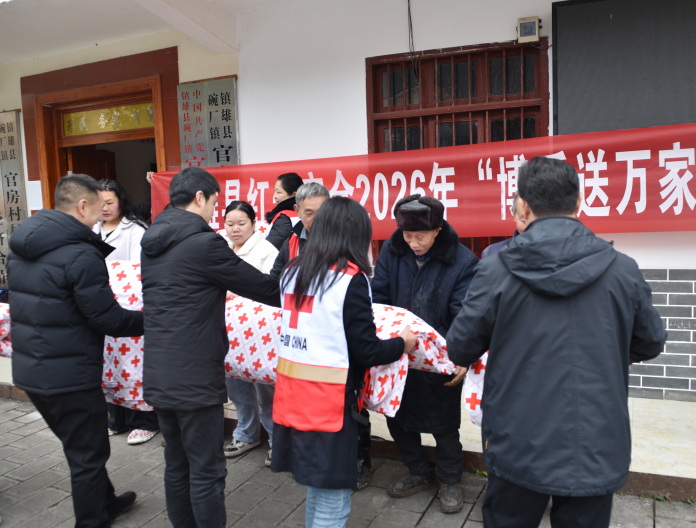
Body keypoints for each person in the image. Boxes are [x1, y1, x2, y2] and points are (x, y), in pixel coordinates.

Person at [446, 156, 667, 528]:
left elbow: (460, 346)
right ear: (579, 202)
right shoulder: (622, 268)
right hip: (596, 439)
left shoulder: (495, 269)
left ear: (523, 206)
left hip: (517, 440)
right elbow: (651, 341)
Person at [140, 166, 281, 528]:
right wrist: (306, 283)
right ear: (199, 197)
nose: (215, 213)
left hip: (158, 371)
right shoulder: (203, 243)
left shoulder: (152, 243)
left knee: (177, 463)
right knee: (206, 468)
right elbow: (263, 288)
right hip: (195, 378)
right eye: (215, 204)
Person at [271, 197, 418, 528]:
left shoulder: (292, 271)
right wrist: (402, 343)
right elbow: (367, 351)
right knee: (334, 502)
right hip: (328, 403)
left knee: (317, 488)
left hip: (292, 395)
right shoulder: (349, 278)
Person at [7, 174, 144, 528]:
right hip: (70, 376)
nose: (102, 215)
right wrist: (153, 319)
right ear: (82, 206)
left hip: (31, 372)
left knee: (79, 445)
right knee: (88, 453)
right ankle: (92, 520)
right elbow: (108, 319)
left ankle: (106, 501)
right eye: (99, 208)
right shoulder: (81, 253)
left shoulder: (21, 245)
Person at [371, 194, 478, 513]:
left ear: (437, 230)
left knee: (444, 425)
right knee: (396, 417)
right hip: (398, 352)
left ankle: (450, 479)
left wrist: (461, 355)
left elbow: (465, 315)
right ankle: (418, 470)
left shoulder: (463, 261)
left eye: (421, 236)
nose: (413, 243)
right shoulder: (392, 251)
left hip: (440, 355)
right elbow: (379, 298)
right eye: (408, 235)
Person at [94, 179, 160, 445]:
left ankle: (144, 421)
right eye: (100, 203)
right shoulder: (92, 228)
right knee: (109, 364)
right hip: (103, 305)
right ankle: (116, 419)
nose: (105, 208)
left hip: (130, 306)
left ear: (121, 201)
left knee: (133, 365)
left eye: (110, 202)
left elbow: (136, 270)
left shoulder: (135, 229)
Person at [221, 200, 279, 465]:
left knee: (266, 390)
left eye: (241, 223)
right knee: (236, 386)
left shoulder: (267, 251)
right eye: (230, 224)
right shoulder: (220, 249)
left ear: (254, 224)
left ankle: (277, 441)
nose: (235, 229)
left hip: (258, 334)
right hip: (227, 331)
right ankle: (246, 434)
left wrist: (234, 293)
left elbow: (270, 290)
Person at [269, 182, 330, 279]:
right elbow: (275, 280)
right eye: (309, 214)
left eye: (321, 212)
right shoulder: (290, 243)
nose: (316, 219)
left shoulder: (343, 240)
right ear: (297, 211)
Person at [481, 191, 526, 258]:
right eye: (524, 221)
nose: (530, 226)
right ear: (514, 214)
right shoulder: (492, 252)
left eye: (534, 221)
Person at [265, 172, 304, 249]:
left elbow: (268, 249)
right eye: (274, 191)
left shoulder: (284, 218)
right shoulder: (303, 213)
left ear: (293, 194)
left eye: (278, 192)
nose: (274, 196)